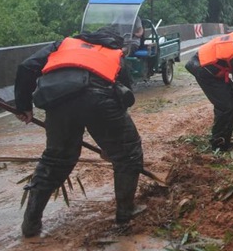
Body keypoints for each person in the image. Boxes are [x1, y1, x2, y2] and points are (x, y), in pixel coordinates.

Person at [14, 26, 145, 238]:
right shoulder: (115, 54)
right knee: (128, 154)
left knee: (55, 161)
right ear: (114, 42)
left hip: (57, 101)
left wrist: (23, 106)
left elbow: (26, 67)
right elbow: (123, 98)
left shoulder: (62, 44)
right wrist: (111, 146)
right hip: (99, 99)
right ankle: (125, 214)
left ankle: (31, 224)